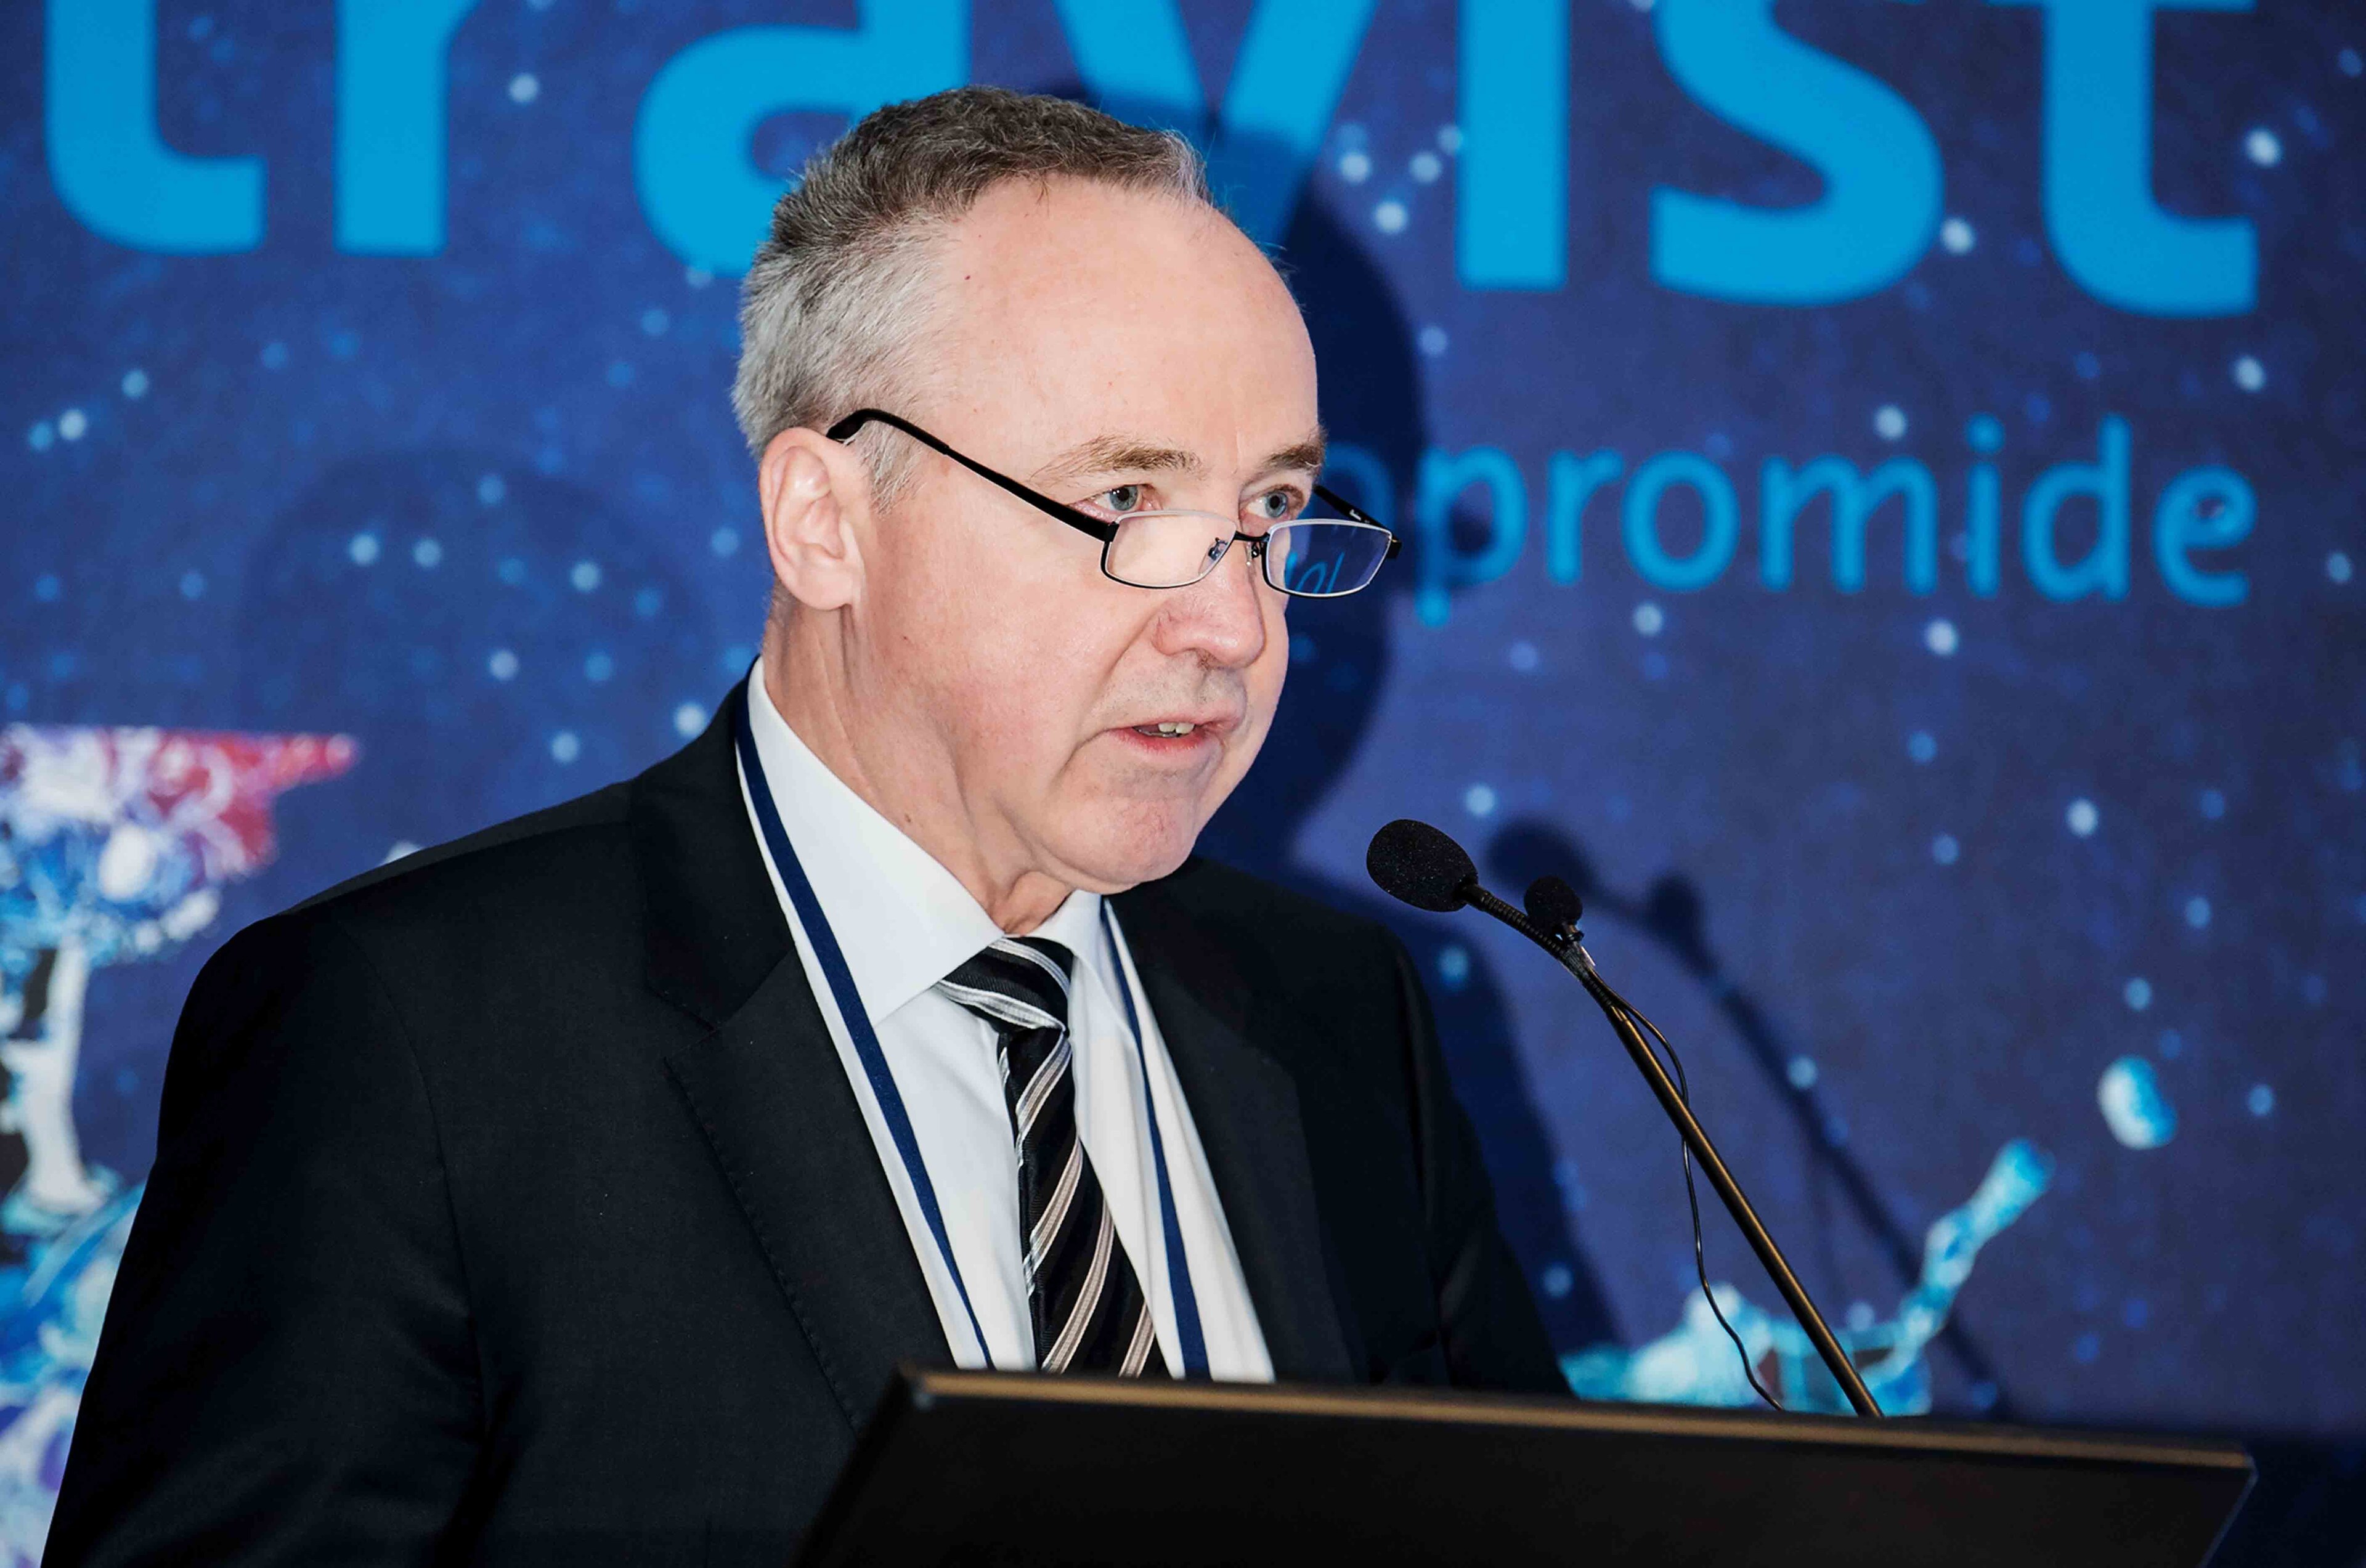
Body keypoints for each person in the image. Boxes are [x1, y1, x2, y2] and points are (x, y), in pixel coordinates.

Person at [45, 87, 1561, 1565]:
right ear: (825, 522)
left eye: (1273, 512)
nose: (1235, 625)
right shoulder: (411, 1038)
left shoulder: (1337, 1019)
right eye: (1125, 502)